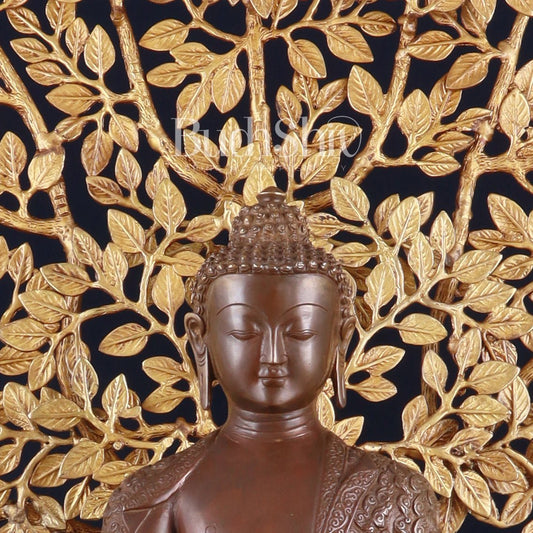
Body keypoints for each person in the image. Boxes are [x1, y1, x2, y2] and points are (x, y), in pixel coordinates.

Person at [102, 187, 439, 533]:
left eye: (301, 333)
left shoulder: (392, 494)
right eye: (244, 333)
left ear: (341, 338)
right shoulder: (146, 497)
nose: (273, 356)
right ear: (200, 337)